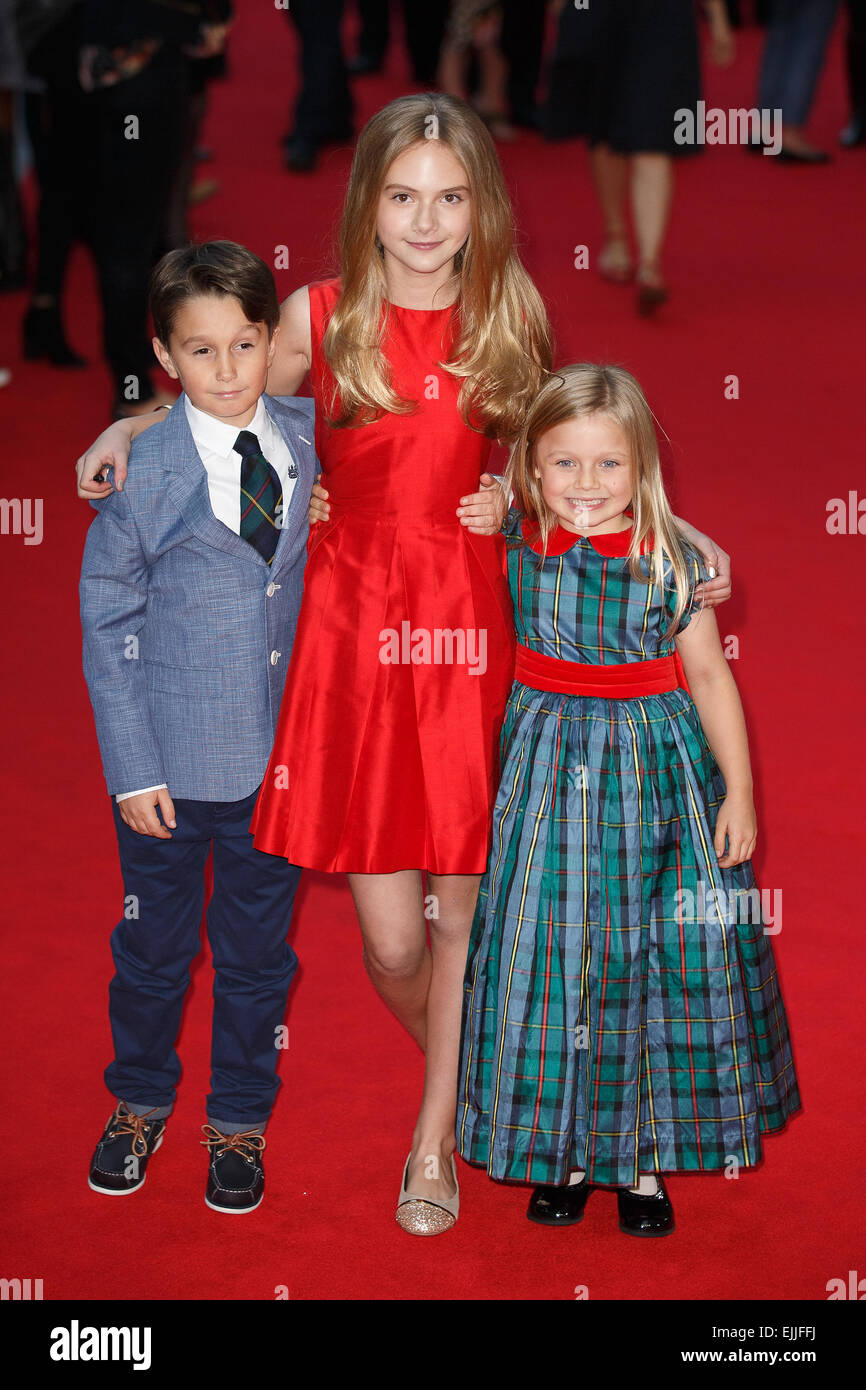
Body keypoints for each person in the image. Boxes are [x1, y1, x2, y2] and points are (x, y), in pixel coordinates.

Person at [74, 94, 733, 1236]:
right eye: (401, 196)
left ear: (479, 204)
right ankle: (497, 1077)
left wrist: (618, 521)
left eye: (449, 196)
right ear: (366, 203)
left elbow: (573, 464)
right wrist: (124, 427)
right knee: (389, 939)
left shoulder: (506, 308)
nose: (425, 222)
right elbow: (217, 394)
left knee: (461, 921)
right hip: (348, 639)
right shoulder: (316, 314)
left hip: (471, 637)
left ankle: (435, 1136)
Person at [457, 363, 800, 1236]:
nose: (585, 486)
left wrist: (742, 793)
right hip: (544, 784)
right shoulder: (511, 544)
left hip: (658, 781)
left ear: (643, 469)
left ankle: (642, 1163)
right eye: (563, 464)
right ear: (531, 469)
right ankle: (565, 1152)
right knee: (552, 961)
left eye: (609, 466)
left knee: (652, 961)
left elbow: (713, 679)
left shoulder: (674, 561)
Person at [80, 241, 318, 1213]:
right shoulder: (143, 471)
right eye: (202, 351)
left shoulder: (310, 439)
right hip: (168, 776)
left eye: (245, 345)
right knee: (154, 953)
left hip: (285, 771)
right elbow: (107, 625)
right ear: (165, 356)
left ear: (273, 343)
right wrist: (130, 770)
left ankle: (239, 1121)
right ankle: (138, 1098)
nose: (228, 372)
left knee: (260, 961)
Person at [542, 0, 735, 315]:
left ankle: (649, 263)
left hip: (664, 16)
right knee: (603, 127)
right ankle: (615, 234)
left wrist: (717, 17)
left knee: (654, 134)